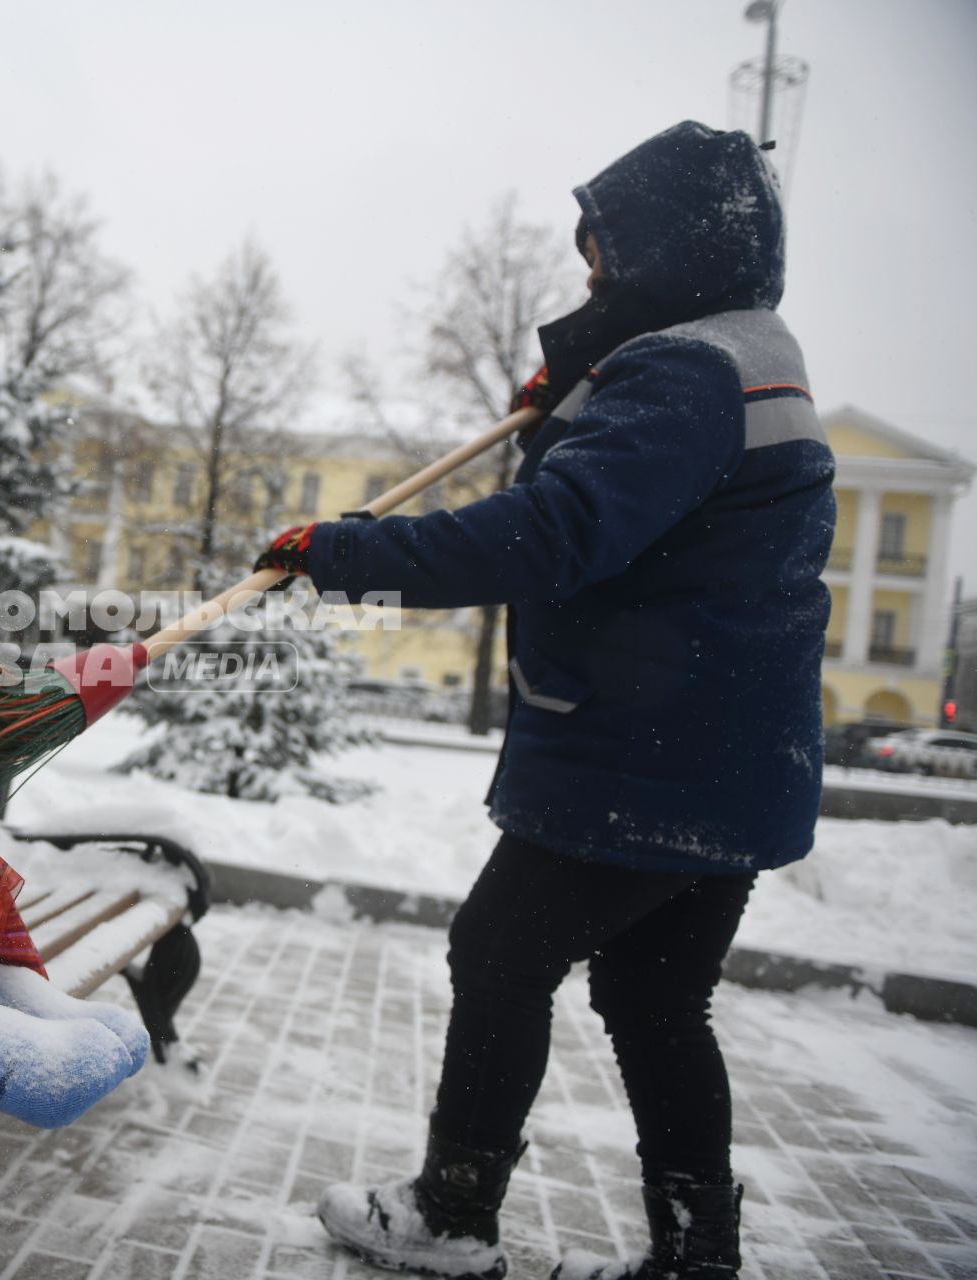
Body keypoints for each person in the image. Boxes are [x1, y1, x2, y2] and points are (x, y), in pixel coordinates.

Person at [254, 121, 834, 1280]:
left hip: (648, 753)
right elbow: (647, 512)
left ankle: (451, 1213)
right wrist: (580, 382)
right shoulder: (750, 354)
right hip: (728, 756)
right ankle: (697, 1251)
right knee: (658, 995)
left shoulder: (682, 371)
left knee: (501, 952)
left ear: (670, 249)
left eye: (606, 261)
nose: (594, 282)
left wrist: (349, 552)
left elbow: (554, 533)